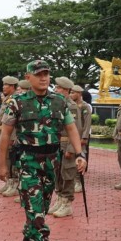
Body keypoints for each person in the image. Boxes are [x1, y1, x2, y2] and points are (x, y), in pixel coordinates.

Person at [0, 60, 86, 241]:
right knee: (36, 210)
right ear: (28, 77)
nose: (44, 78)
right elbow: (6, 134)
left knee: (40, 207)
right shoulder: (16, 102)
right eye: (39, 74)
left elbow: (71, 128)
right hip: (27, 161)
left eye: (46, 74)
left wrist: (79, 153)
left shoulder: (59, 101)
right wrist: (2, 164)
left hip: (51, 162)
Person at [47, 77, 81, 218]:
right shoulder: (58, 104)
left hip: (67, 144)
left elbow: (76, 129)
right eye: (55, 87)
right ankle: (60, 199)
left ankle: (67, 203)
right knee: (58, 173)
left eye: (59, 88)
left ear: (66, 90)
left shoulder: (71, 106)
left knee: (67, 174)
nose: (56, 90)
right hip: (57, 144)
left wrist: (71, 149)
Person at [0, 76, 19, 197]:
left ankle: (14, 184)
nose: (3, 87)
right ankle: (9, 182)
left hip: (11, 136)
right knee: (8, 160)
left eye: (6, 85)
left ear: (13, 87)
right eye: (3, 85)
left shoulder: (14, 99)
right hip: (3, 133)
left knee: (12, 160)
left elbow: (14, 123)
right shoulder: (7, 99)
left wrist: (12, 138)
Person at [70, 84, 91, 195]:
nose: (71, 94)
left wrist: (84, 137)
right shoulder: (72, 106)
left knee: (80, 158)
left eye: (73, 92)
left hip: (80, 136)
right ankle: (74, 180)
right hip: (73, 137)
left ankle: (79, 182)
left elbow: (87, 123)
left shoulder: (85, 106)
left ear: (79, 94)